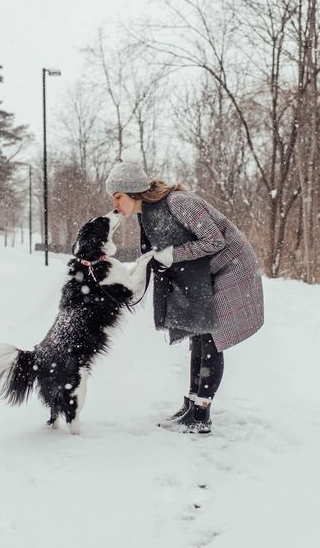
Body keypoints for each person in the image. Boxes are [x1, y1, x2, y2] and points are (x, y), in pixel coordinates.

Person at [106, 160, 264, 435]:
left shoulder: (178, 203)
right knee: (197, 333)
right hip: (206, 271)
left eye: (117, 196)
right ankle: (192, 404)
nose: (115, 204)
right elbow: (154, 255)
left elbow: (215, 241)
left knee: (211, 337)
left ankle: (201, 415)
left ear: (133, 191)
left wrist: (174, 255)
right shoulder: (149, 214)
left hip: (232, 266)